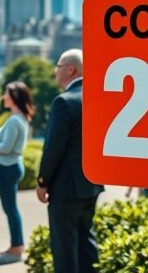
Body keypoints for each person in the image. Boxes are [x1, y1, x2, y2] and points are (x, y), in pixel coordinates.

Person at [37, 49, 104, 273]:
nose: (55, 71)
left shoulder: (63, 102)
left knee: (64, 249)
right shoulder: (98, 97)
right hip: (91, 184)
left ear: (70, 69)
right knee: (87, 244)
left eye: (58, 66)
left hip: (66, 187)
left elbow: (53, 148)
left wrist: (42, 180)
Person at [0, 81, 33, 264]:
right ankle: (15, 246)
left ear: (14, 97)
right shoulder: (21, 119)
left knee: (10, 209)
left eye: (7, 94)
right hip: (12, 166)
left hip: (7, 168)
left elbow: (6, 147)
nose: (4, 96)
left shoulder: (14, 120)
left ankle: (16, 248)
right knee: (11, 209)